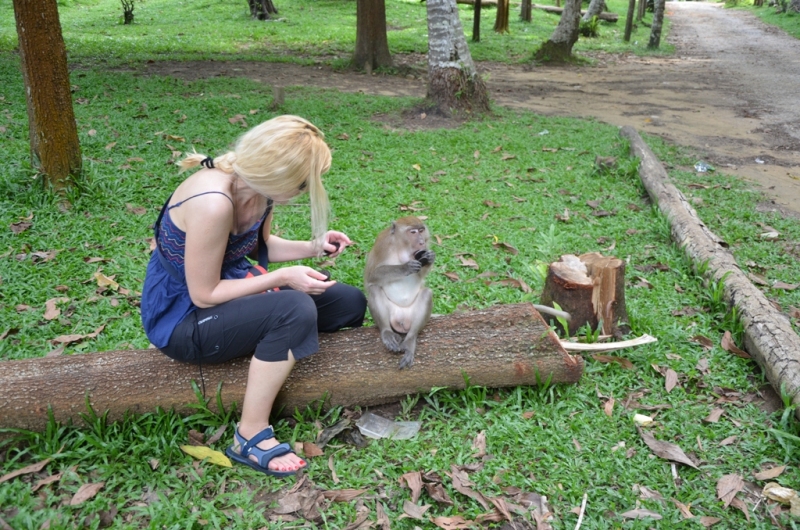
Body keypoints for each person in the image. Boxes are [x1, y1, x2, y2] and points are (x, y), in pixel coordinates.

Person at [140, 115, 367, 477]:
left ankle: (273, 343)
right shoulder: (213, 202)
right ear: (277, 175)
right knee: (294, 306)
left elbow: (259, 246)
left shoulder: (261, 192)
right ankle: (249, 435)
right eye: (305, 182)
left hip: (225, 291)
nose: (309, 189)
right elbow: (204, 293)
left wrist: (314, 247)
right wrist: (282, 279)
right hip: (182, 318)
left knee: (349, 302)